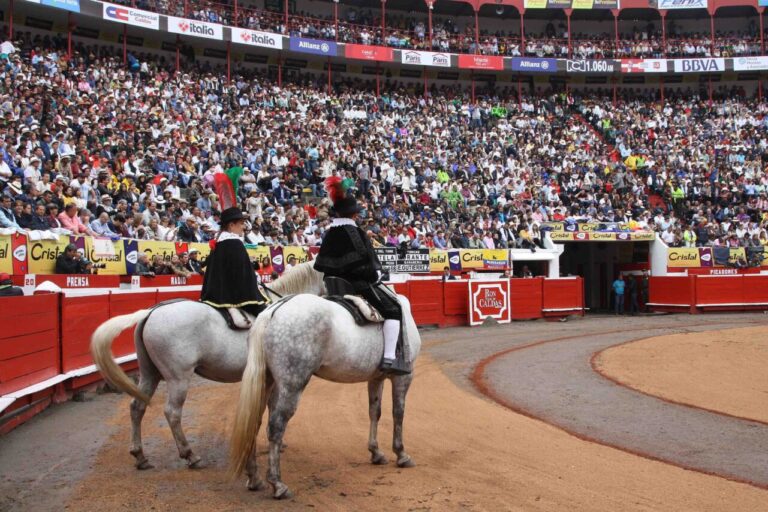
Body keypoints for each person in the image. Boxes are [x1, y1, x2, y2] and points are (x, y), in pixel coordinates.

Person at [314, 177, 407, 375]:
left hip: (331, 285)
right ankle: (390, 358)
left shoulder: (330, 233)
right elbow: (364, 263)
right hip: (356, 285)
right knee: (394, 309)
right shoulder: (355, 232)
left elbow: (321, 264)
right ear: (355, 214)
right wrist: (374, 276)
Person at [200, 207, 268, 329]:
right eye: (241, 223)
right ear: (231, 225)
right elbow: (243, 272)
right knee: (268, 317)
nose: (244, 227)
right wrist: (255, 284)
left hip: (215, 293)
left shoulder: (220, 242)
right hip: (235, 294)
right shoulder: (234, 243)